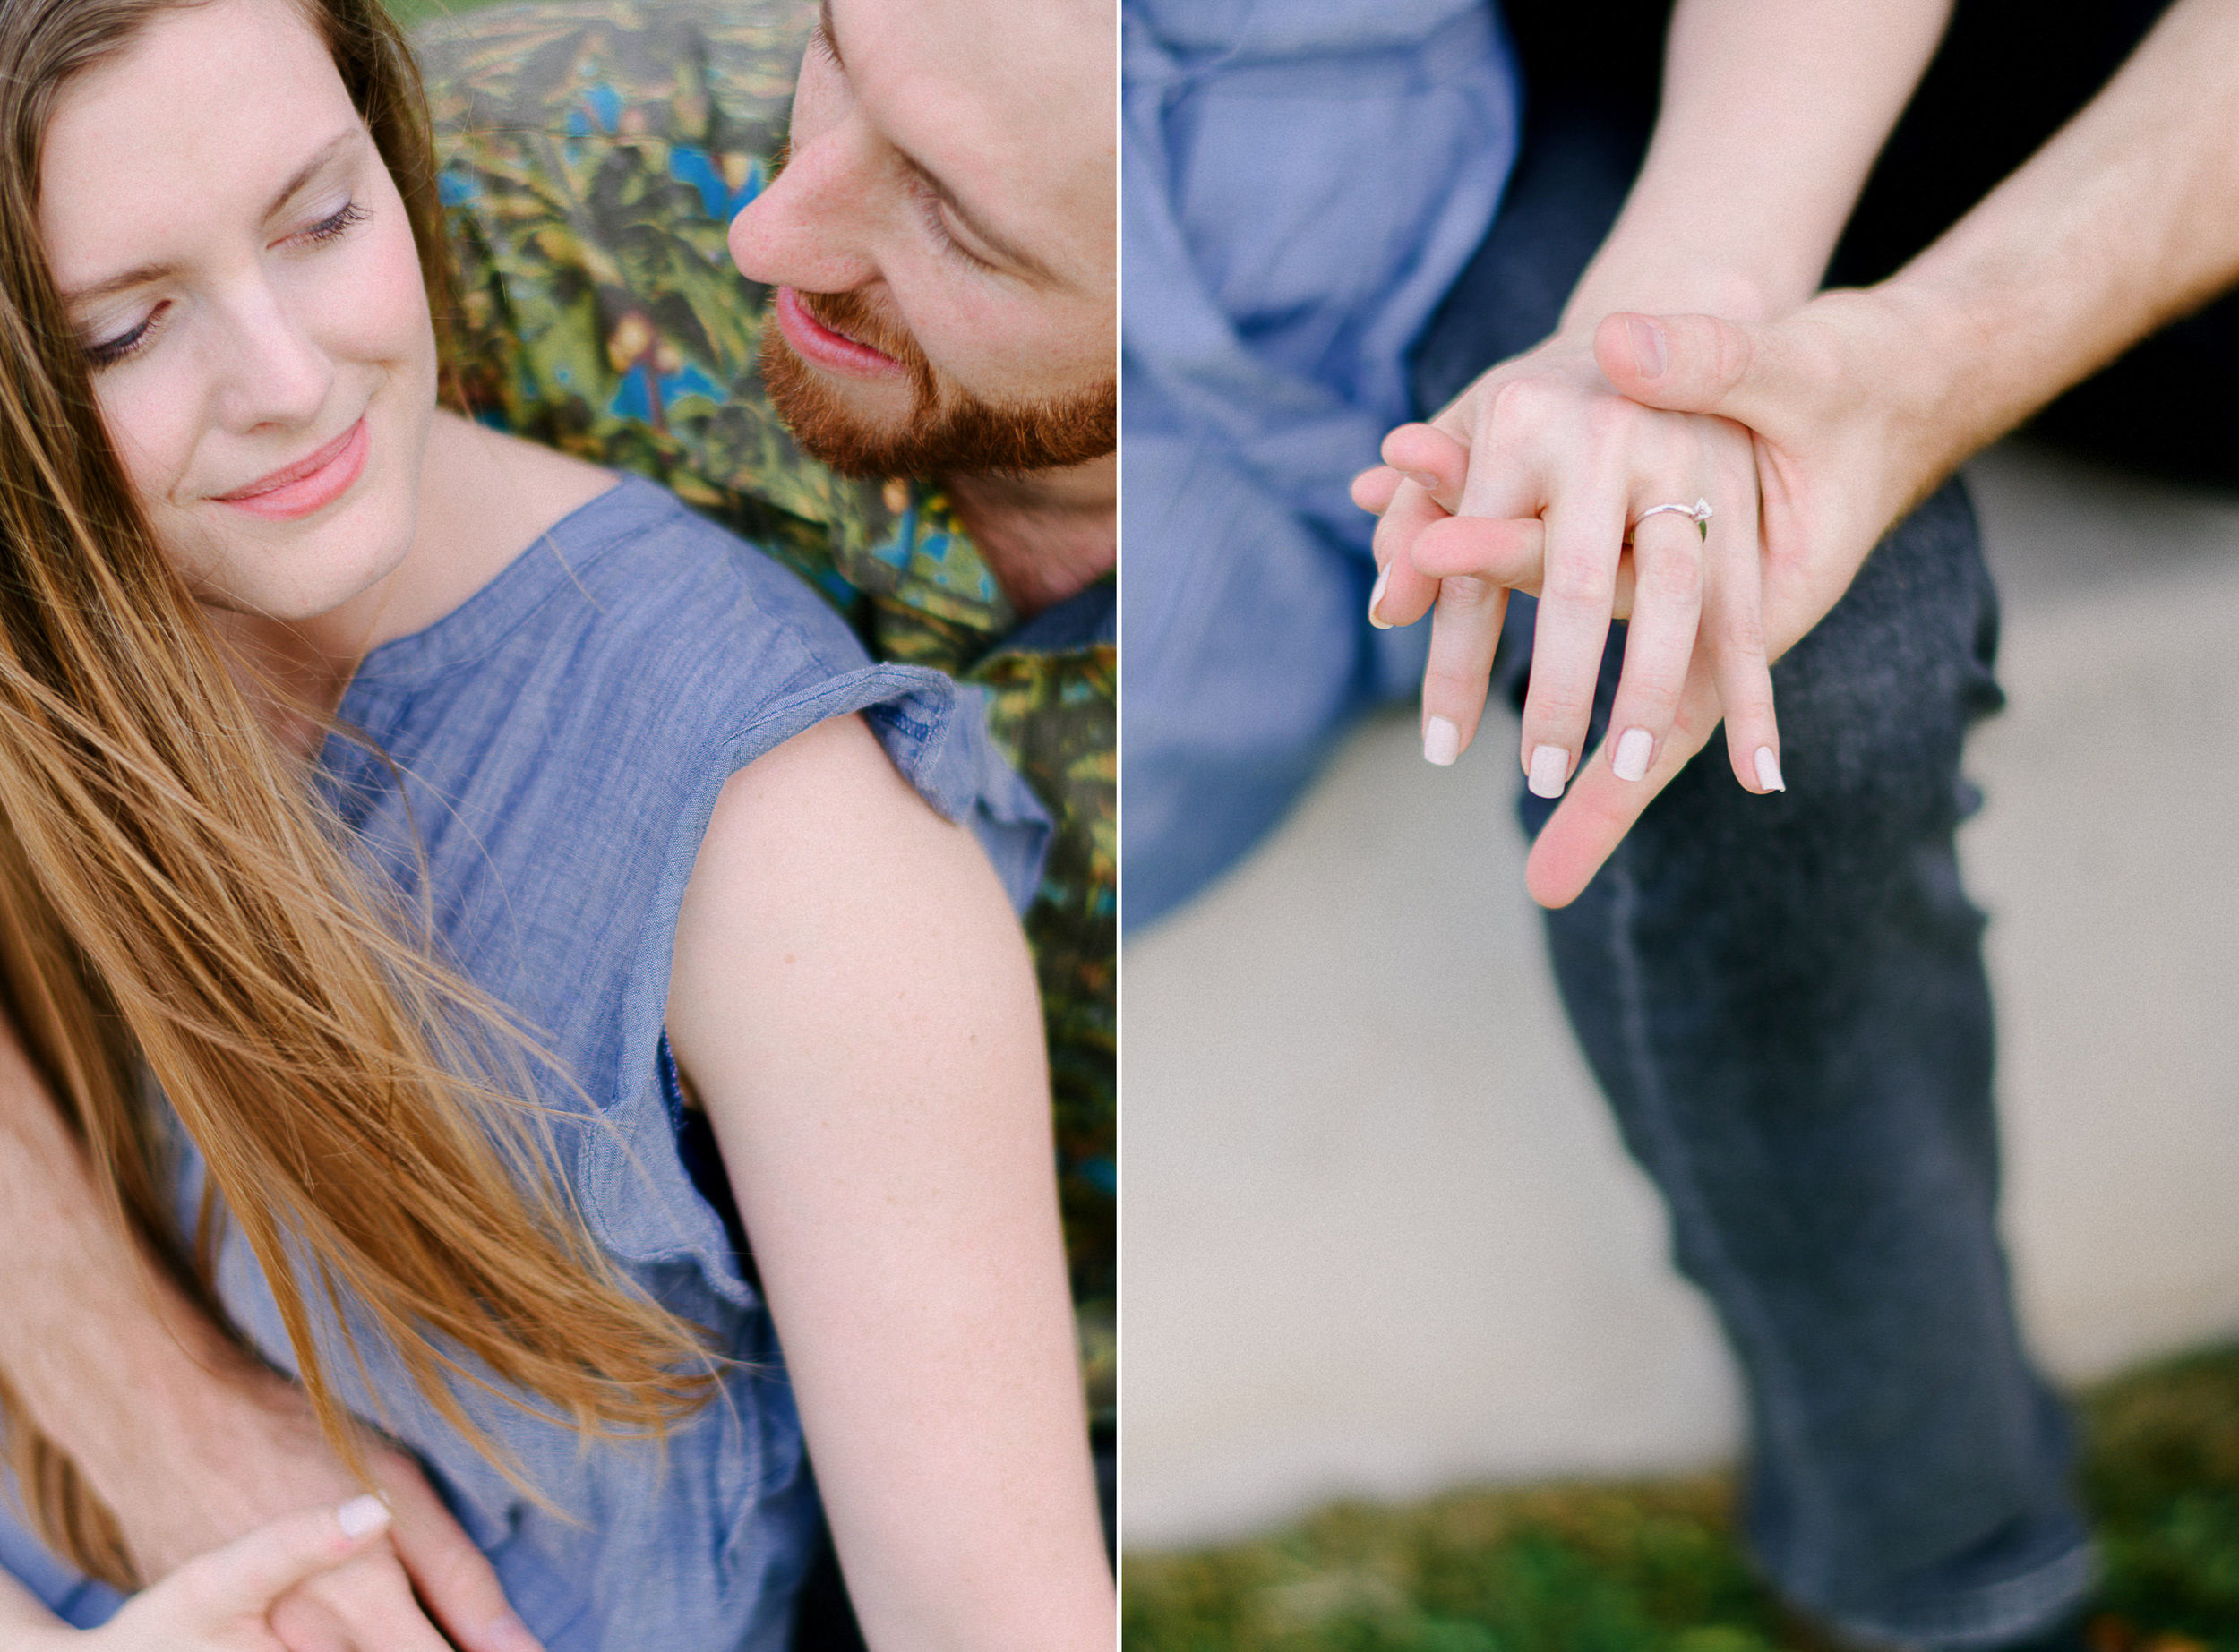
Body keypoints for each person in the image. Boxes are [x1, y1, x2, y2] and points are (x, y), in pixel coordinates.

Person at [0, 0, 1113, 1648]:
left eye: (323, 218)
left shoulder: (779, 835)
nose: (291, 383)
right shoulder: (60, 649)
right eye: (122, 333)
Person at [1128, 0, 2239, 1645]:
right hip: (1611, 96)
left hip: (2110, 164)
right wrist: (1682, 305)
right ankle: (1949, 1568)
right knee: (1763, 663)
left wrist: (1927, 365)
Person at [421, 0, 1119, 1483]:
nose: (769, 235)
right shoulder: (494, 186)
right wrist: (125, 1362)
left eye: (957, 219)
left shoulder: (1414, 438)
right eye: (835, 53)